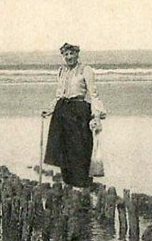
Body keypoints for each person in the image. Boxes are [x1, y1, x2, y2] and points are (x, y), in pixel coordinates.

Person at [41, 43, 106, 188]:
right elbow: (59, 94)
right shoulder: (62, 71)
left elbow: (93, 93)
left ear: (77, 54)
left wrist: (96, 115)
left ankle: (82, 183)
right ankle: (68, 182)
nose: (69, 57)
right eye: (66, 54)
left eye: (71, 54)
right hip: (61, 111)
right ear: (63, 56)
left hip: (79, 111)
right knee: (61, 147)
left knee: (79, 147)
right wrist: (50, 109)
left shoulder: (86, 70)